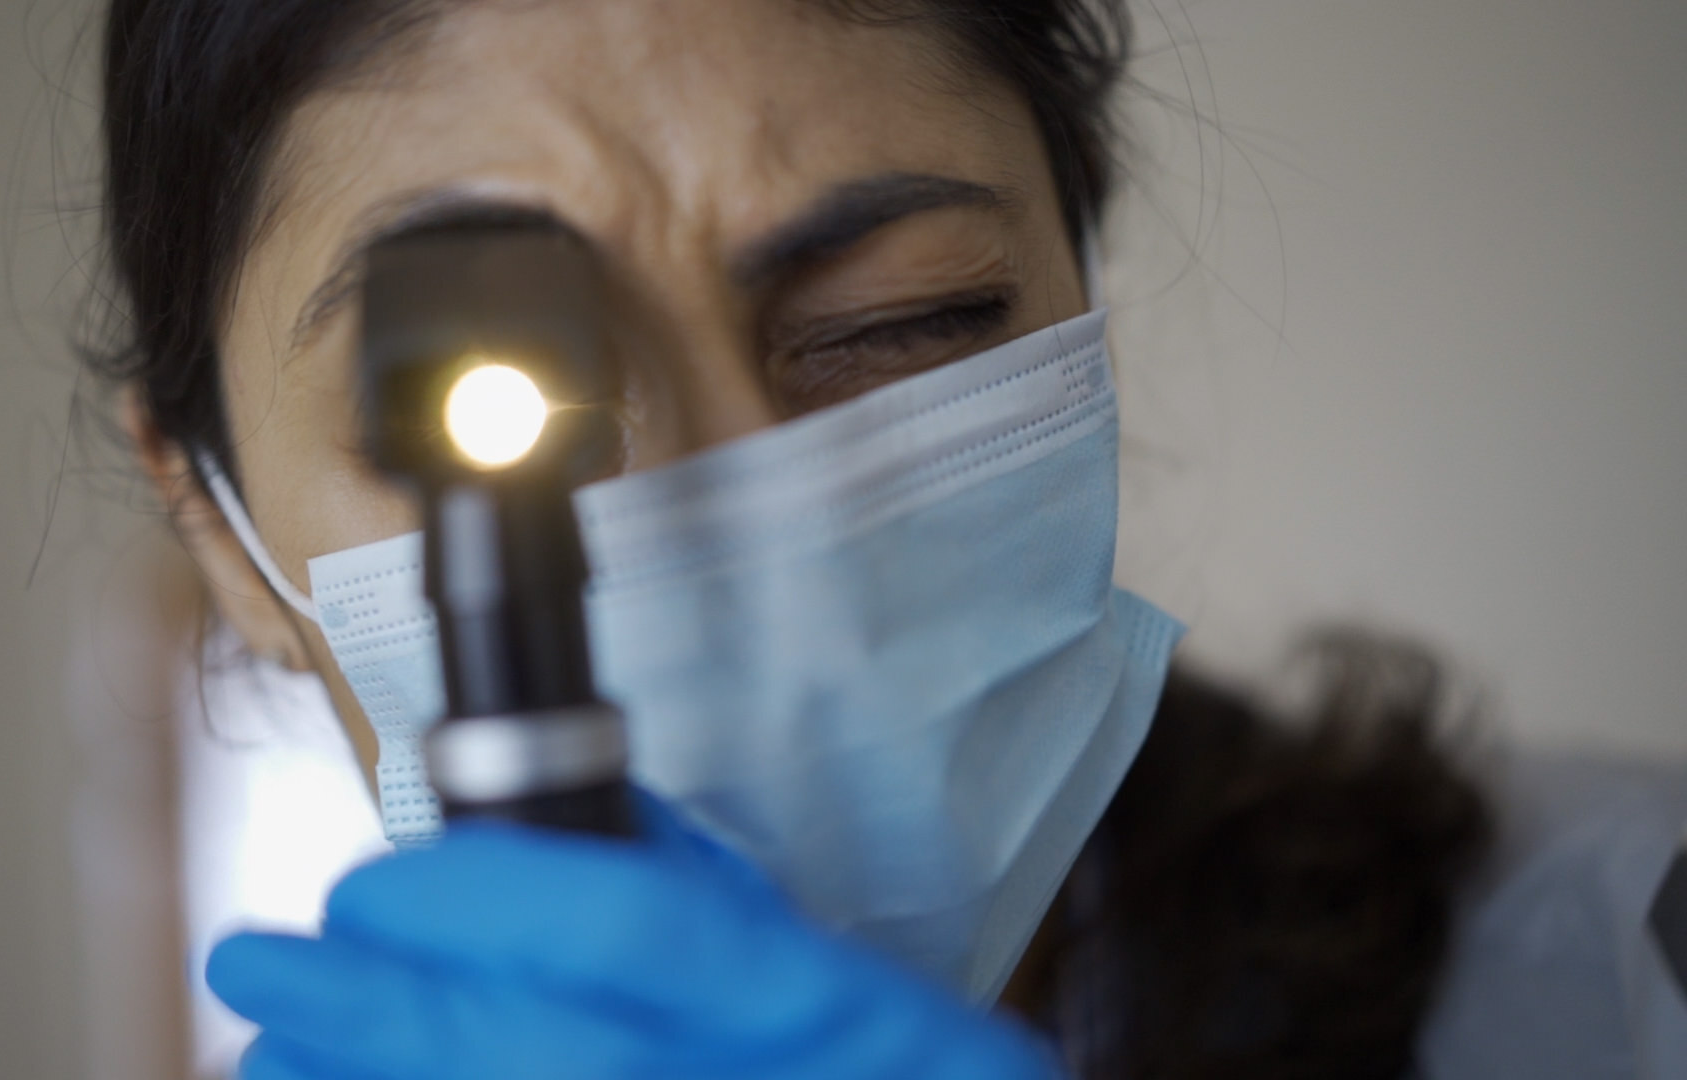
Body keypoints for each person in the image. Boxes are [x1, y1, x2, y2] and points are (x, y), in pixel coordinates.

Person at [88, 2, 1675, 1077]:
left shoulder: (1631, 958)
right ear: (218, 535)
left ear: (1087, 319)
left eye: (900, 325)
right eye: (477, 402)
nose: (754, 516)